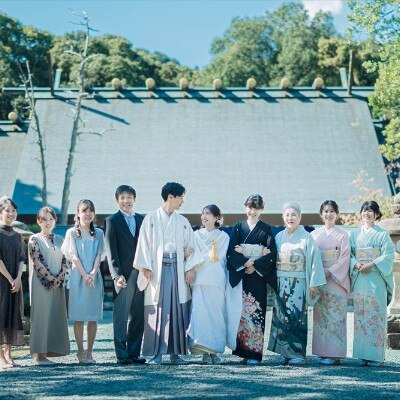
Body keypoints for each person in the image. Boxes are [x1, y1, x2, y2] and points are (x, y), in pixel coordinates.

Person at [134, 182, 203, 365]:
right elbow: (144, 245)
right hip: (157, 269)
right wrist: (145, 267)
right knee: (158, 309)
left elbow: (191, 247)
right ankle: (156, 354)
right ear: (170, 197)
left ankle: (175, 353)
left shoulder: (183, 222)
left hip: (178, 268)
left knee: (177, 309)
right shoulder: (150, 219)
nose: (182, 201)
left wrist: (190, 268)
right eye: (181, 197)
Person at [268, 201, 326, 366]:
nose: (290, 218)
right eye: (287, 215)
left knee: (296, 317)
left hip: (298, 283)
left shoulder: (307, 237)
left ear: (300, 217)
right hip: (281, 282)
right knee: (281, 317)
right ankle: (285, 352)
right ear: (283, 217)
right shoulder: (279, 236)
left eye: (294, 215)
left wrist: (313, 284)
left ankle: (298, 353)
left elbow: (314, 261)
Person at [226, 194, 277, 365]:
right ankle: (243, 352)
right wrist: (247, 261)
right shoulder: (238, 227)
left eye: (256, 208)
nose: (252, 211)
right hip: (243, 276)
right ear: (245, 207)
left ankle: (254, 354)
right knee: (241, 312)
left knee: (257, 312)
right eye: (249, 207)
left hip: (257, 277)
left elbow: (271, 253)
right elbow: (232, 251)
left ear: (262, 209)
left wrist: (253, 263)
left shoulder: (266, 229)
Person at [104, 185, 145, 364]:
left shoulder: (143, 220)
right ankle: (122, 354)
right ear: (117, 200)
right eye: (122, 197)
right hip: (123, 276)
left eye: (129, 197)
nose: (126, 200)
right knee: (121, 316)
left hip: (142, 273)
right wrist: (116, 275)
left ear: (134, 199)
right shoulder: (112, 220)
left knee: (139, 315)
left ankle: (134, 353)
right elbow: (111, 251)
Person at [350, 201, 394, 367]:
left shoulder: (382, 234)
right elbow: (348, 254)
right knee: (361, 314)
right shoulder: (354, 234)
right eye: (364, 210)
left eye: (371, 211)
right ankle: (363, 354)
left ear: (376, 214)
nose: (367, 214)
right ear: (361, 213)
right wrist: (355, 264)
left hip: (375, 277)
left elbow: (388, 255)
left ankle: (376, 355)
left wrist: (372, 264)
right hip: (360, 277)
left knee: (375, 314)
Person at [62, 199, 104, 364]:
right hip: (78, 276)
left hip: (94, 277)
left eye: (91, 211)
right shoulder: (72, 233)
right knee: (78, 316)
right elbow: (73, 256)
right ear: (78, 214)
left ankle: (90, 353)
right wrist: (85, 275)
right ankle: (80, 352)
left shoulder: (99, 232)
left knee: (93, 316)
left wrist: (93, 272)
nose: (88, 214)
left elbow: (99, 254)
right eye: (84, 211)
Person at [187, 204, 230, 364]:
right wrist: (190, 268)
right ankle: (205, 352)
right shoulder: (195, 235)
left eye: (209, 214)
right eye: (203, 213)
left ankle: (215, 351)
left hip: (217, 280)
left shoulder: (224, 237)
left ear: (217, 217)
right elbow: (191, 256)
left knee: (217, 315)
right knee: (200, 315)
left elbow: (224, 259)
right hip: (200, 280)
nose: (205, 216)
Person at [28, 207, 70, 365]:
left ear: (55, 221)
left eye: (50, 219)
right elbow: (36, 261)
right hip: (41, 284)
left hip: (58, 284)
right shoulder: (34, 239)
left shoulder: (60, 239)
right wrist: (51, 278)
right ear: (39, 221)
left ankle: (51, 350)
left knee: (55, 316)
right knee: (41, 317)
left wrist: (59, 277)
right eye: (44, 219)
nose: (47, 222)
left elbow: (65, 260)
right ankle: (40, 355)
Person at [311, 200, 350, 365]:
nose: (329, 214)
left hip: (335, 280)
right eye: (326, 211)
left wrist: (328, 271)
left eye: (332, 211)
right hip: (320, 281)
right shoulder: (313, 235)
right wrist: (317, 275)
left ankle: (335, 354)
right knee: (321, 316)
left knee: (336, 316)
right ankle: (322, 351)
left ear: (337, 214)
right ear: (321, 214)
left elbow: (344, 259)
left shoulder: (343, 235)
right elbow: (311, 259)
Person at [0, 196, 24, 369]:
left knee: (11, 316)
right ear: (1, 212)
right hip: (2, 281)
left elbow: (22, 259)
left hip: (15, 282)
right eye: (7, 210)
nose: (10, 214)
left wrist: (18, 279)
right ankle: (1, 357)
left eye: (13, 211)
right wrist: (10, 278)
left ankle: (9, 354)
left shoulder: (18, 236)